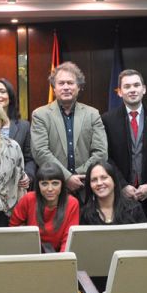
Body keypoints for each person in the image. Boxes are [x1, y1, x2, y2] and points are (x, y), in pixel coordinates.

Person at [102, 69, 147, 247]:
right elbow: (106, 157)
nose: (132, 89)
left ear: (144, 89)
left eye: (136, 85)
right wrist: (122, 185)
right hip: (120, 196)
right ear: (119, 92)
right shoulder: (107, 120)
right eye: (127, 86)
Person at [31, 61, 107, 202]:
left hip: (86, 187)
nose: (66, 87)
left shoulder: (93, 114)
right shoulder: (40, 115)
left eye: (70, 83)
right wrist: (66, 177)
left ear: (78, 87)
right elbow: (40, 152)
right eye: (61, 83)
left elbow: (101, 152)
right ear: (54, 88)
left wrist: (76, 176)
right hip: (52, 190)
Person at [9, 163, 80, 252]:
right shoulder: (28, 199)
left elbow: (68, 239)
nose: (50, 189)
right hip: (30, 253)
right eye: (44, 184)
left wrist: (62, 262)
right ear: (38, 185)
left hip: (59, 255)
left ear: (62, 184)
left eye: (55, 183)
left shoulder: (72, 203)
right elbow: (13, 229)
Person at [0, 77, 35, 183]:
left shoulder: (24, 126)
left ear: (10, 97)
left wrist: (28, 175)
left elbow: (29, 158)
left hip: (15, 183)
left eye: (2, 91)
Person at [79, 160, 147, 226]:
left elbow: (145, 236)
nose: (99, 183)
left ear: (114, 181)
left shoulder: (134, 209)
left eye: (104, 178)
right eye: (94, 180)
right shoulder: (85, 215)